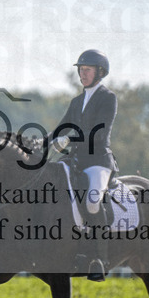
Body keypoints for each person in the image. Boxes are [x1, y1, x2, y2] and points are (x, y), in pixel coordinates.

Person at [51, 49, 118, 281]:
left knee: (91, 203)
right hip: (77, 161)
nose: (82, 74)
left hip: (98, 161)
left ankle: (101, 258)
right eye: (80, 70)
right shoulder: (77, 101)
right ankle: (75, 252)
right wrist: (37, 142)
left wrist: (69, 139)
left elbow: (99, 134)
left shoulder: (108, 98)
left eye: (87, 70)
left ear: (100, 72)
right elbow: (61, 127)